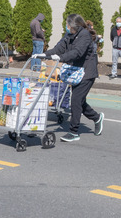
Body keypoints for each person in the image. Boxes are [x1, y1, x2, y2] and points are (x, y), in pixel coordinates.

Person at [39, 13, 103, 143]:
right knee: (79, 102)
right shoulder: (69, 36)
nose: (66, 27)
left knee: (75, 100)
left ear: (73, 25)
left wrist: (61, 58)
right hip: (75, 72)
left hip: (86, 73)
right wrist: (43, 54)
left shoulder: (84, 35)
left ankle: (74, 132)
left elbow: (77, 52)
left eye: (67, 24)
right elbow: (58, 48)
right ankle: (97, 118)